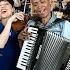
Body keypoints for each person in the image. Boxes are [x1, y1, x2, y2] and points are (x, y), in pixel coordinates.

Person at [18, 0, 70, 69]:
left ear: (50, 3)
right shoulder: (31, 24)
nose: (39, 6)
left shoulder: (64, 25)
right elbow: (25, 52)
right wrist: (20, 39)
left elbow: (67, 52)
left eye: (42, 2)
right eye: (35, 4)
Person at [0, 0, 24, 70]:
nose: (2, 7)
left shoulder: (21, 26)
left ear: (13, 9)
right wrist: (10, 20)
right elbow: (0, 44)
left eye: (6, 4)